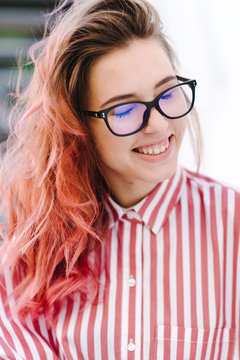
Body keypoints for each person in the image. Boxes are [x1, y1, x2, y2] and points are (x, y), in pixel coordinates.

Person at [0, 0, 239, 359]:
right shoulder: (34, 250)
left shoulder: (232, 229)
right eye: (125, 109)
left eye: (168, 93)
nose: (158, 125)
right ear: (78, 127)